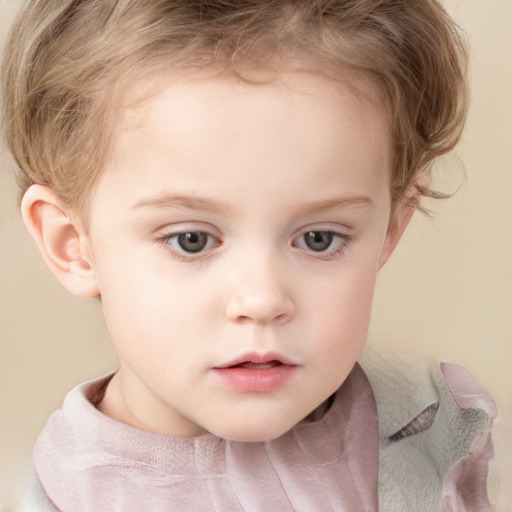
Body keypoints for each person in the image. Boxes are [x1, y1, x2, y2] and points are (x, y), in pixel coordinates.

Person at [1, 1, 496, 510]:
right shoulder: (60, 497)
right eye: (191, 239)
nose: (262, 300)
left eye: (319, 238)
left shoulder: (437, 428)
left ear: (390, 229)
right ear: (73, 245)